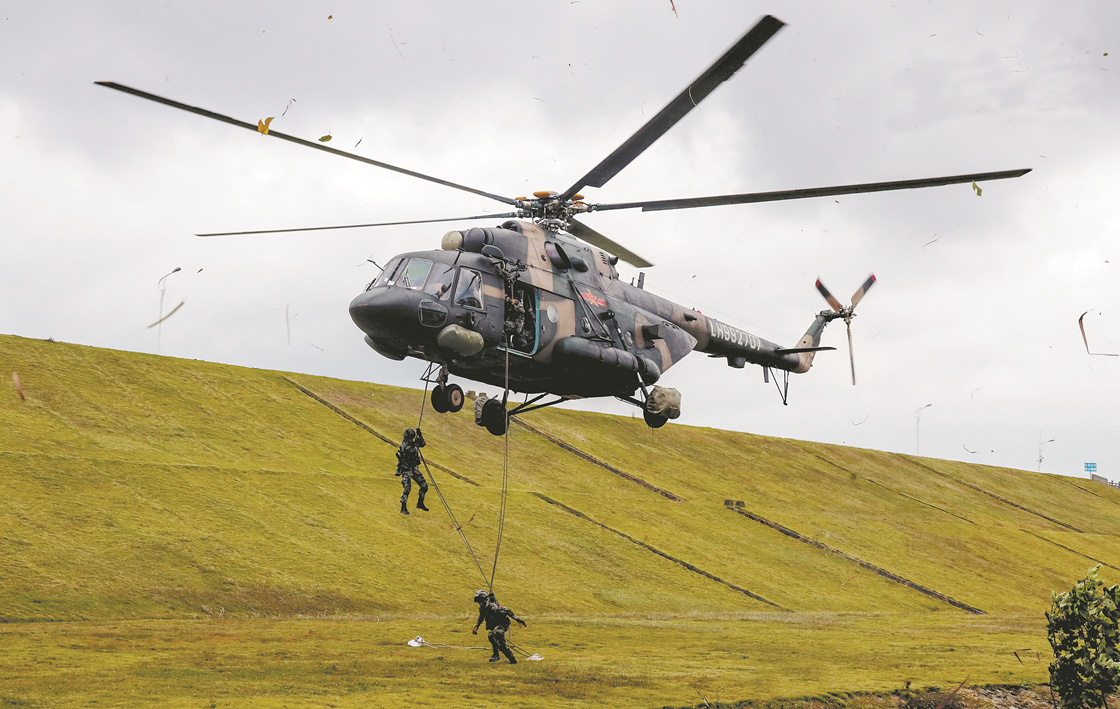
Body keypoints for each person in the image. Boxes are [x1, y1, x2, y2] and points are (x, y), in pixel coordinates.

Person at [472, 589, 526, 664]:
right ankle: (512, 660)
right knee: (501, 645)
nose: (480, 603)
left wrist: (518, 619)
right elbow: (481, 617)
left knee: (492, 635)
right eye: (478, 601)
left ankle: (496, 654)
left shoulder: (494, 607)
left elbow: (508, 611)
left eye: (481, 601)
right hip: (494, 625)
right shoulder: (482, 609)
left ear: (485, 600)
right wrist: (477, 626)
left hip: (502, 625)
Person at [396, 427, 428, 515]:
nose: (411, 439)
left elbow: (423, 444)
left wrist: (420, 435)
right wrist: (415, 443)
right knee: (407, 488)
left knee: (424, 486)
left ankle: (420, 503)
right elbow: (411, 450)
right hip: (406, 470)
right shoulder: (404, 446)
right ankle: (403, 507)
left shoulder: (414, 443)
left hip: (414, 469)